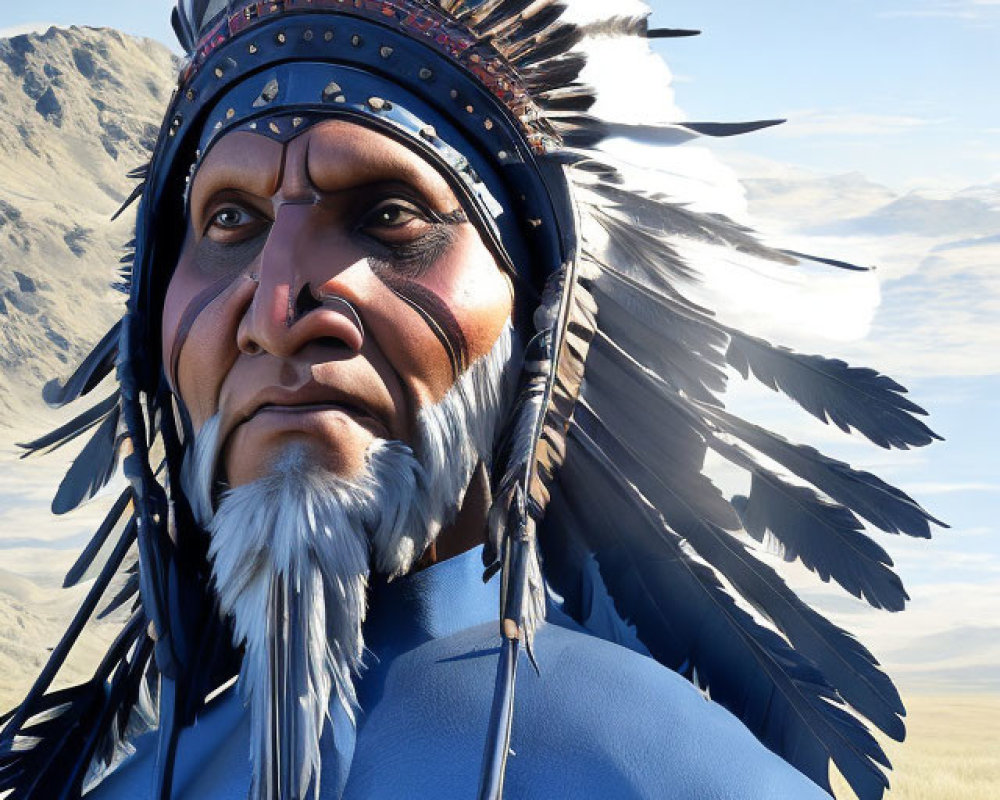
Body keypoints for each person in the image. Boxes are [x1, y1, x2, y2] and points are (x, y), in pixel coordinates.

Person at [0, 2, 941, 799]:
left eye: (389, 216)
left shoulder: (672, 778)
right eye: (231, 221)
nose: (277, 310)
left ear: (544, 323)